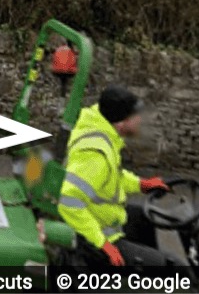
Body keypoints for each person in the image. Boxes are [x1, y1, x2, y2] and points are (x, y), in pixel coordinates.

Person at [54, 85, 174, 267]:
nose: (140, 120)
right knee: (168, 266)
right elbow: (70, 202)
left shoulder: (102, 131)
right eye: (135, 117)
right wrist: (103, 244)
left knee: (143, 217)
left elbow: (111, 177)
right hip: (91, 239)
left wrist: (141, 184)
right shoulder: (96, 154)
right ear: (121, 123)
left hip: (103, 219)